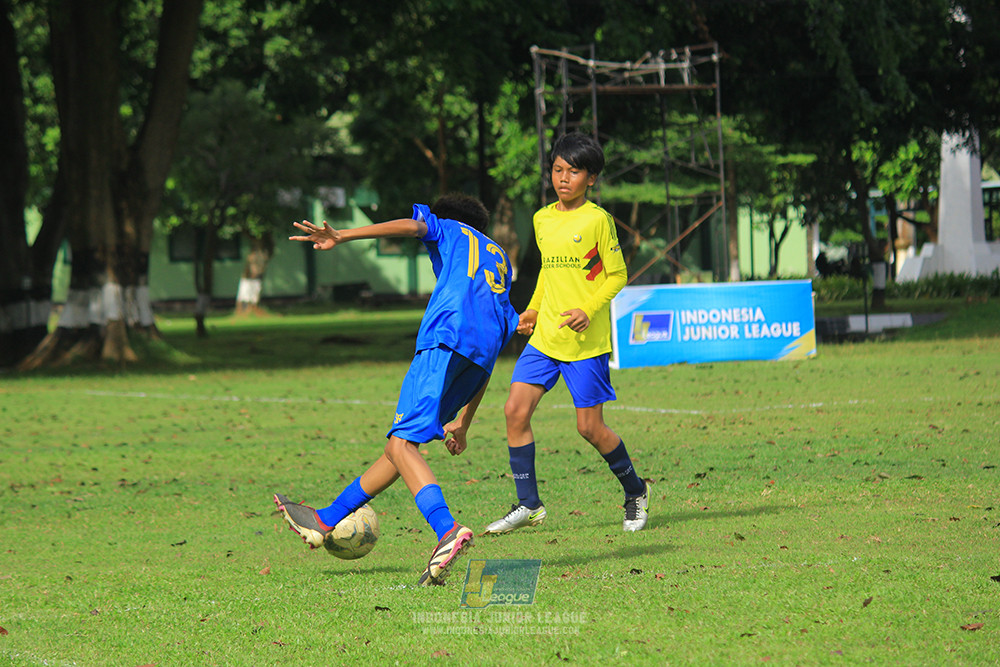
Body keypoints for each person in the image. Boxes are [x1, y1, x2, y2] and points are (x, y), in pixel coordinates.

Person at [275, 193, 518, 586]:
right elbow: (501, 338)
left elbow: (413, 226)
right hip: (479, 360)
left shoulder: (448, 228)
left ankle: (447, 529)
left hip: (444, 340)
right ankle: (326, 519)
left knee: (403, 444)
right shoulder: (499, 261)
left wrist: (342, 235)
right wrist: (464, 421)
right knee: (398, 448)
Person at [484, 131, 649, 535]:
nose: (563, 178)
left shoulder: (597, 220)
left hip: (585, 343)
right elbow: (548, 270)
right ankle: (529, 504)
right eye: (558, 169)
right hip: (545, 338)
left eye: (573, 172)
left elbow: (617, 275)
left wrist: (587, 310)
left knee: (589, 428)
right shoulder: (542, 218)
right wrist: (533, 309)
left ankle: (636, 490)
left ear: (590, 178)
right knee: (514, 410)